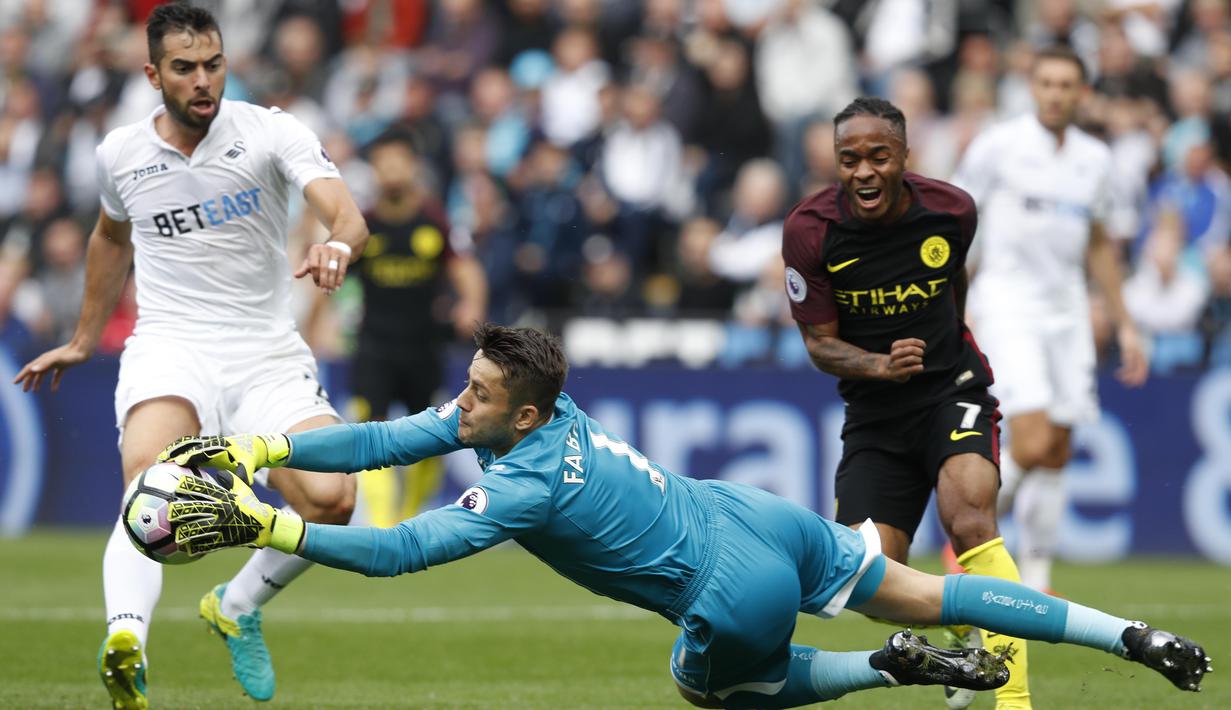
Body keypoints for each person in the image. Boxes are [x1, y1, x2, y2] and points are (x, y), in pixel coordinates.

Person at [156, 323, 1210, 708]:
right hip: (761, 517)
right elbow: (384, 440)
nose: (458, 404)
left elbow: (398, 550)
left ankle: (878, 669)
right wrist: (265, 449)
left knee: (708, 688)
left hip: (728, 583)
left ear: (520, 410)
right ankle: (1130, 635)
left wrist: (267, 524)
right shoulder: (541, 405)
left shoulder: (524, 480)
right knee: (939, 589)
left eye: (474, 396)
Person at [10, 5, 368, 709]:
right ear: (152, 74)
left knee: (335, 501)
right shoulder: (121, 154)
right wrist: (84, 338)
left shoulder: (270, 130)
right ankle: (126, 645)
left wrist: (338, 245)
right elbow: (110, 239)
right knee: (149, 478)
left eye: (213, 64)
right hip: (172, 343)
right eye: (183, 68)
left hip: (266, 351)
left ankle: (235, 605)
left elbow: (345, 212)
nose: (202, 80)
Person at [780, 96, 1032, 709]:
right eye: (849, 159)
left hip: (952, 390)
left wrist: (946, 353)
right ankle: (955, 629)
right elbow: (818, 343)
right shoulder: (809, 231)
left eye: (877, 156)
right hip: (874, 415)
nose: (863, 171)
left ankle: (1015, 698)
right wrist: (880, 367)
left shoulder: (951, 210)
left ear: (903, 157)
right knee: (870, 582)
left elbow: (956, 285)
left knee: (971, 518)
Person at [951, 46, 1149, 595]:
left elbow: (1100, 244)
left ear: (1082, 93)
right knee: (1033, 442)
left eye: (1067, 85)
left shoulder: (1095, 159)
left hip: (1066, 310)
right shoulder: (1000, 146)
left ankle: (1036, 578)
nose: (1056, 94)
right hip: (1008, 303)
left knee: (1058, 448)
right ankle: (964, 530)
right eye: (1047, 83)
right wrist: (948, 303)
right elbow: (955, 224)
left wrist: (1125, 321)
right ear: (1032, 87)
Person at [343, 129, 487, 527]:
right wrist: (318, 327)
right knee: (369, 433)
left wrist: (470, 306)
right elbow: (332, 279)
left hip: (423, 347)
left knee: (429, 441)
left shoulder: (435, 221)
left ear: (413, 167)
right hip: (373, 345)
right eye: (383, 162)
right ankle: (385, 524)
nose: (390, 170)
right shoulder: (363, 225)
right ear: (373, 170)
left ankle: (409, 518)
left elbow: (466, 269)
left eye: (398, 161)